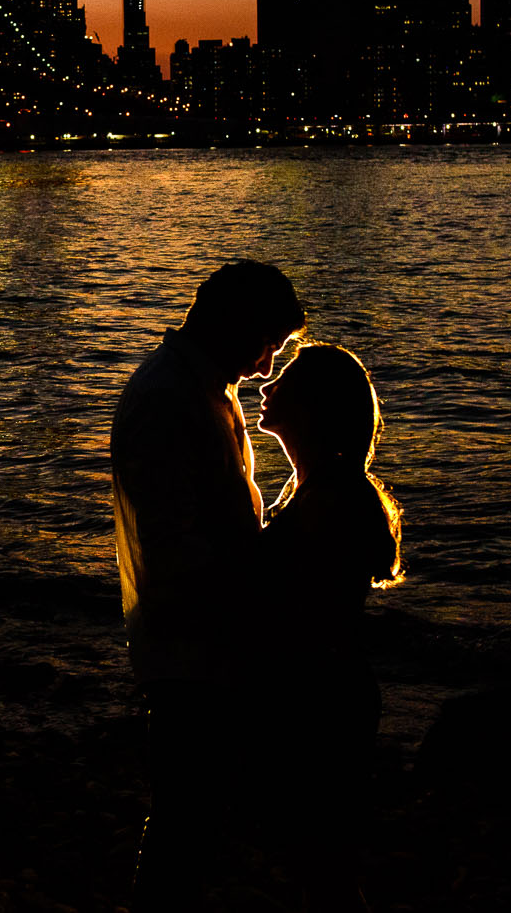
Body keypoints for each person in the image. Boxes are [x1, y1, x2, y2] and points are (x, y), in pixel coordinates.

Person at [110, 260, 307, 909]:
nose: (263, 366)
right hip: (187, 651)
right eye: (266, 345)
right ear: (234, 324)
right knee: (184, 825)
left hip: (205, 646)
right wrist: (265, 569)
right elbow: (173, 548)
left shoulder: (199, 390)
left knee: (193, 824)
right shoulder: (170, 398)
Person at [252, 343, 403, 911]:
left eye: (283, 380)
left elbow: (281, 600)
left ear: (313, 406)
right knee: (317, 863)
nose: (266, 387)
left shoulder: (331, 500)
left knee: (323, 867)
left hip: (321, 702)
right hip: (321, 692)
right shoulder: (312, 488)